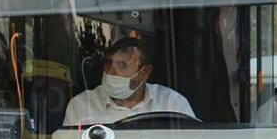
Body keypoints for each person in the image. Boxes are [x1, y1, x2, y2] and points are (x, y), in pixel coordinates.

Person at [63, 36, 196, 127]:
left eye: (122, 65)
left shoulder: (172, 103)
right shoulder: (82, 106)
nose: (111, 72)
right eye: (109, 64)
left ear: (145, 73)